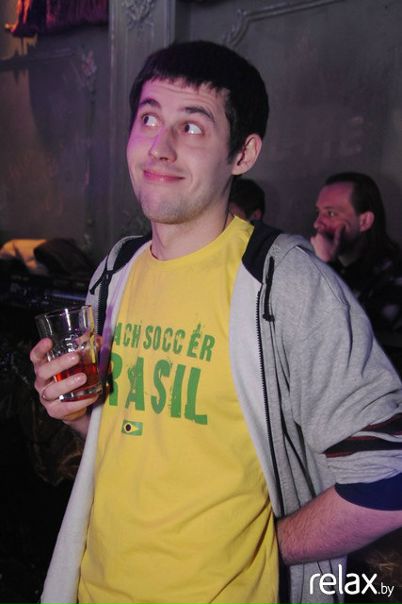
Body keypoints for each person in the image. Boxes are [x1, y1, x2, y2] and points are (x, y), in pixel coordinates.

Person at [30, 41, 402, 604]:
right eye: (149, 119)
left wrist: (264, 549)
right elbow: (132, 434)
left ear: (243, 154)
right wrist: (78, 411)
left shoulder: (285, 284)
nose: (160, 147)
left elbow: (388, 481)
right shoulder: (116, 271)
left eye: (192, 127)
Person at [311, 171, 402, 374]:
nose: (317, 223)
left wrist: (324, 267)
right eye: (318, 212)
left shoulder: (393, 275)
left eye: (331, 214)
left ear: (365, 221)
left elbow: (349, 339)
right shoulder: (329, 265)